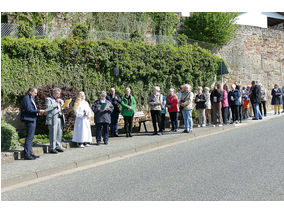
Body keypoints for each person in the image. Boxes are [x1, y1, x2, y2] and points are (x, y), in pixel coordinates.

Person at [20, 87, 45, 160]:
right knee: (29, 137)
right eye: (35, 93)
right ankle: (27, 154)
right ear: (31, 91)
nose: (36, 94)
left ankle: (30, 153)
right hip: (29, 119)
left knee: (31, 137)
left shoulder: (31, 98)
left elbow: (32, 109)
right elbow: (29, 109)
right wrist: (38, 111)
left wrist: (37, 113)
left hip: (32, 119)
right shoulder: (27, 98)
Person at [45, 88, 68, 154]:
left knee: (59, 133)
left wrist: (65, 107)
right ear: (54, 93)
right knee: (53, 133)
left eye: (59, 93)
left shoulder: (61, 100)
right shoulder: (48, 99)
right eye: (57, 93)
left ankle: (58, 146)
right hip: (52, 118)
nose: (58, 95)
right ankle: (52, 148)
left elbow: (62, 109)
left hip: (60, 117)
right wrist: (56, 103)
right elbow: (48, 108)